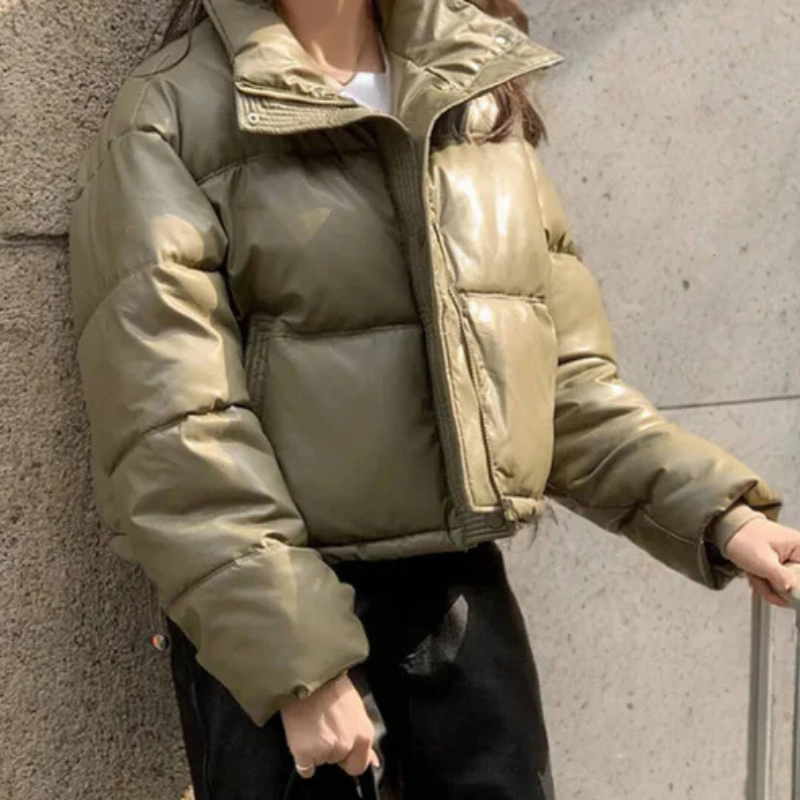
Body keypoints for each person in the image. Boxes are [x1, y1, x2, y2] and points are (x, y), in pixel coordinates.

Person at [66, 0, 800, 798]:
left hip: (460, 612)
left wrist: (721, 516)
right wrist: (296, 660)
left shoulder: (473, 90)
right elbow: (171, 426)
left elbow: (555, 385)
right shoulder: (170, 117)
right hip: (284, 613)